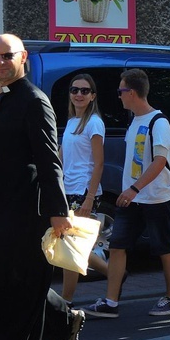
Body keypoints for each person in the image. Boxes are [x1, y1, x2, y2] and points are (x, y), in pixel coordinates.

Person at [0, 34, 83, 340]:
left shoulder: (34, 100)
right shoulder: (2, 100)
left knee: (11, 279)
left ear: (22, 57)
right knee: (7, 279)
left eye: (6, 56)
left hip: (24, 211)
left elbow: (49, 160)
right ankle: (65, 320)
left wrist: (59, 211)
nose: (0, 62)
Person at [85, 69, 170, 317]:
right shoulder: (134, 121)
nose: (119, 96)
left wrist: (134, 187)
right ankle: (110, 302)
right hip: (133, 199)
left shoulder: (158, 122)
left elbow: (160, 161)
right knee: (117, 246)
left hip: (155, 197)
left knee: (164, 248)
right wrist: (131, 191)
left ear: (132, 92)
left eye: (121, 91)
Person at [59, 74, 110, 305]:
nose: (79, 94)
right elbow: (60, 158)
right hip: (67, 189)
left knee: (70, 247)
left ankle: (66, 301)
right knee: (72, 244)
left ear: (92, 96)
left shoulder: (94, 122)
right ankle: (115, 274)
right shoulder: (71, 122)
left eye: (85, 91)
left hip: (84, 191)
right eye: (75, 90)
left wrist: (90, 198)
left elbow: (99, 163)